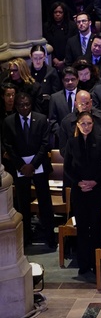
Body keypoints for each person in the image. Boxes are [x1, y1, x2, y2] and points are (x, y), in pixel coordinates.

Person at [1, 89, 55, 249]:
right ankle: (25, 238)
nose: (24, 108)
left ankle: (50, 237)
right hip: (20, 167)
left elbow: (45, 144)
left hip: (38, 164)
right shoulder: (9, 121)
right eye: (21, 105)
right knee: (22, 203)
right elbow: (8, 145)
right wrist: (21, 165)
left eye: (27, 105)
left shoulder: (41, 118)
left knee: (45, 202)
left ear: (31, 105)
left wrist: (33, 164)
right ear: (16, 106)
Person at [62, 110, 101, 282]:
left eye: (89, 123)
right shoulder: (72, 143)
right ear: (77, 124)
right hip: (79, 191)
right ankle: (84, 267)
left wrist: (94, 182)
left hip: (96, 190)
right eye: (83, 123)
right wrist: (79, 182)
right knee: (82, 229)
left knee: (96, 228)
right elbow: (67, 167)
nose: (87, 126)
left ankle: (96, 265)